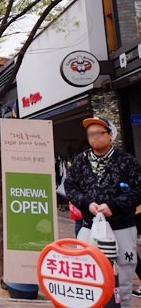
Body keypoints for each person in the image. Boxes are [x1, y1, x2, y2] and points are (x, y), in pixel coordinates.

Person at [65, 117, 141, 308]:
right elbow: (70, 187)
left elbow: (138, 190)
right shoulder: (80, 161)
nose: (94, 137)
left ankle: (123, 303)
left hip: (122, 225)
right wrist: (87, 203)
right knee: (86, 266)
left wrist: (113, 205)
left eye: (99, 133)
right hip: (89, 226)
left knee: (125, 266)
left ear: (110, 135)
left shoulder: (127, 161)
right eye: (91, 134)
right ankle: (92, 303)